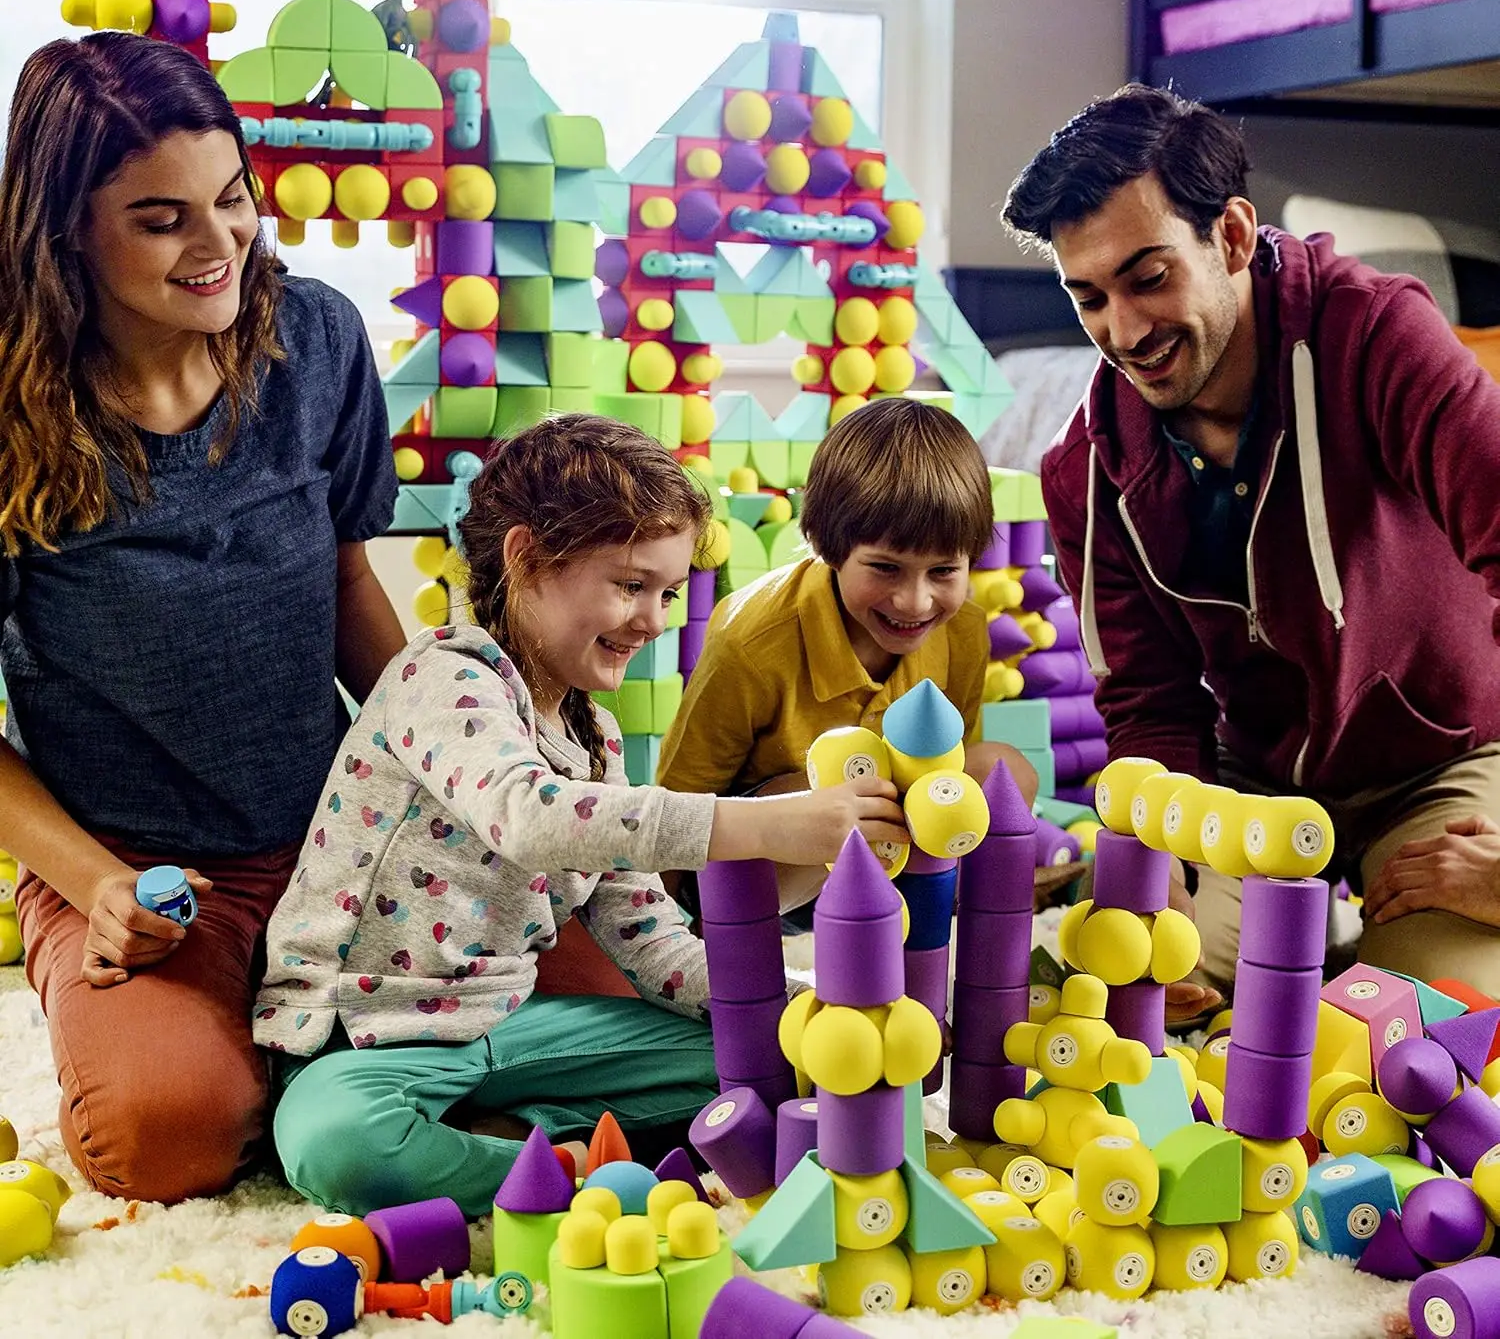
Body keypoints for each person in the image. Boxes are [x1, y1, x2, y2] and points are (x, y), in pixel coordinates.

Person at [256, 414, 904, 1217]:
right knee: (338, 1143)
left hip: (516, 1029)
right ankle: (554, 1174)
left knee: (783, 1058)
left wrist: (798, 1001)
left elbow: (647, 934)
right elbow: (529, 817)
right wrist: (764, 826)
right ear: (526, 557)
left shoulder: (593, 737)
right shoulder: (443, 675)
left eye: (667, 593)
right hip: (369, 1035)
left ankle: (506, 1133)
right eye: (632, 585)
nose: (655, 620)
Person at [0, 33, 406, 1203]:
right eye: (162, 217)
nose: (221, 241)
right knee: (163, 1137)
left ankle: (311, 1045)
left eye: (233, 198)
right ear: (67, 228)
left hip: (345, 833)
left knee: (604, 1012)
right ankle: (276, 1044)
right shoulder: (16, 408)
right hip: (140, 870)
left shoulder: (317, 339)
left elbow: (347, 588)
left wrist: (468, 778)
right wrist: (94, 890)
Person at [1003, 82, 1500, 996]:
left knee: (1420, 1023)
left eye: (1148, 278)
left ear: (1230, 235)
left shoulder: (1379, 336)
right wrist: (1165, 878)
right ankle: (1304, 953)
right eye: (1090, 298)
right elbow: (1150, 702)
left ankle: (1348, 961)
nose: (1124, 330)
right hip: (1254, 783)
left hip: (1447, 756)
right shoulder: (1086, 468)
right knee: (1127, 990)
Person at [657, 399, 1038, 911]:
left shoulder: (964, 629)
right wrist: (662, 935)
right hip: (764, 874)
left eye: (944, 571)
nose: (915, 601)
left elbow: (948, 770)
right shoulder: (751, 639)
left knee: (1000, 770)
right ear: (828, 547)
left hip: (894, 865)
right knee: (844, 790)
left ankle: (954, 926)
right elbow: (681, 809)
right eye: (885, 568)